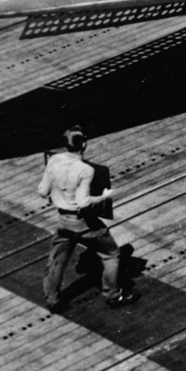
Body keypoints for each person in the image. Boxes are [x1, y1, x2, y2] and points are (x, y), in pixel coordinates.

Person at [37, 128, 136, 311]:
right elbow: (83, 203)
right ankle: (113, 294)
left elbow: (42, 191)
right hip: (84, 223)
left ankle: (52, 299)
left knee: (57, 260)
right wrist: (104, 196)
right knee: (111, 253)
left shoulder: (53, 160)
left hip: (63, 221)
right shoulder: (85, 170)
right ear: (84, 144)